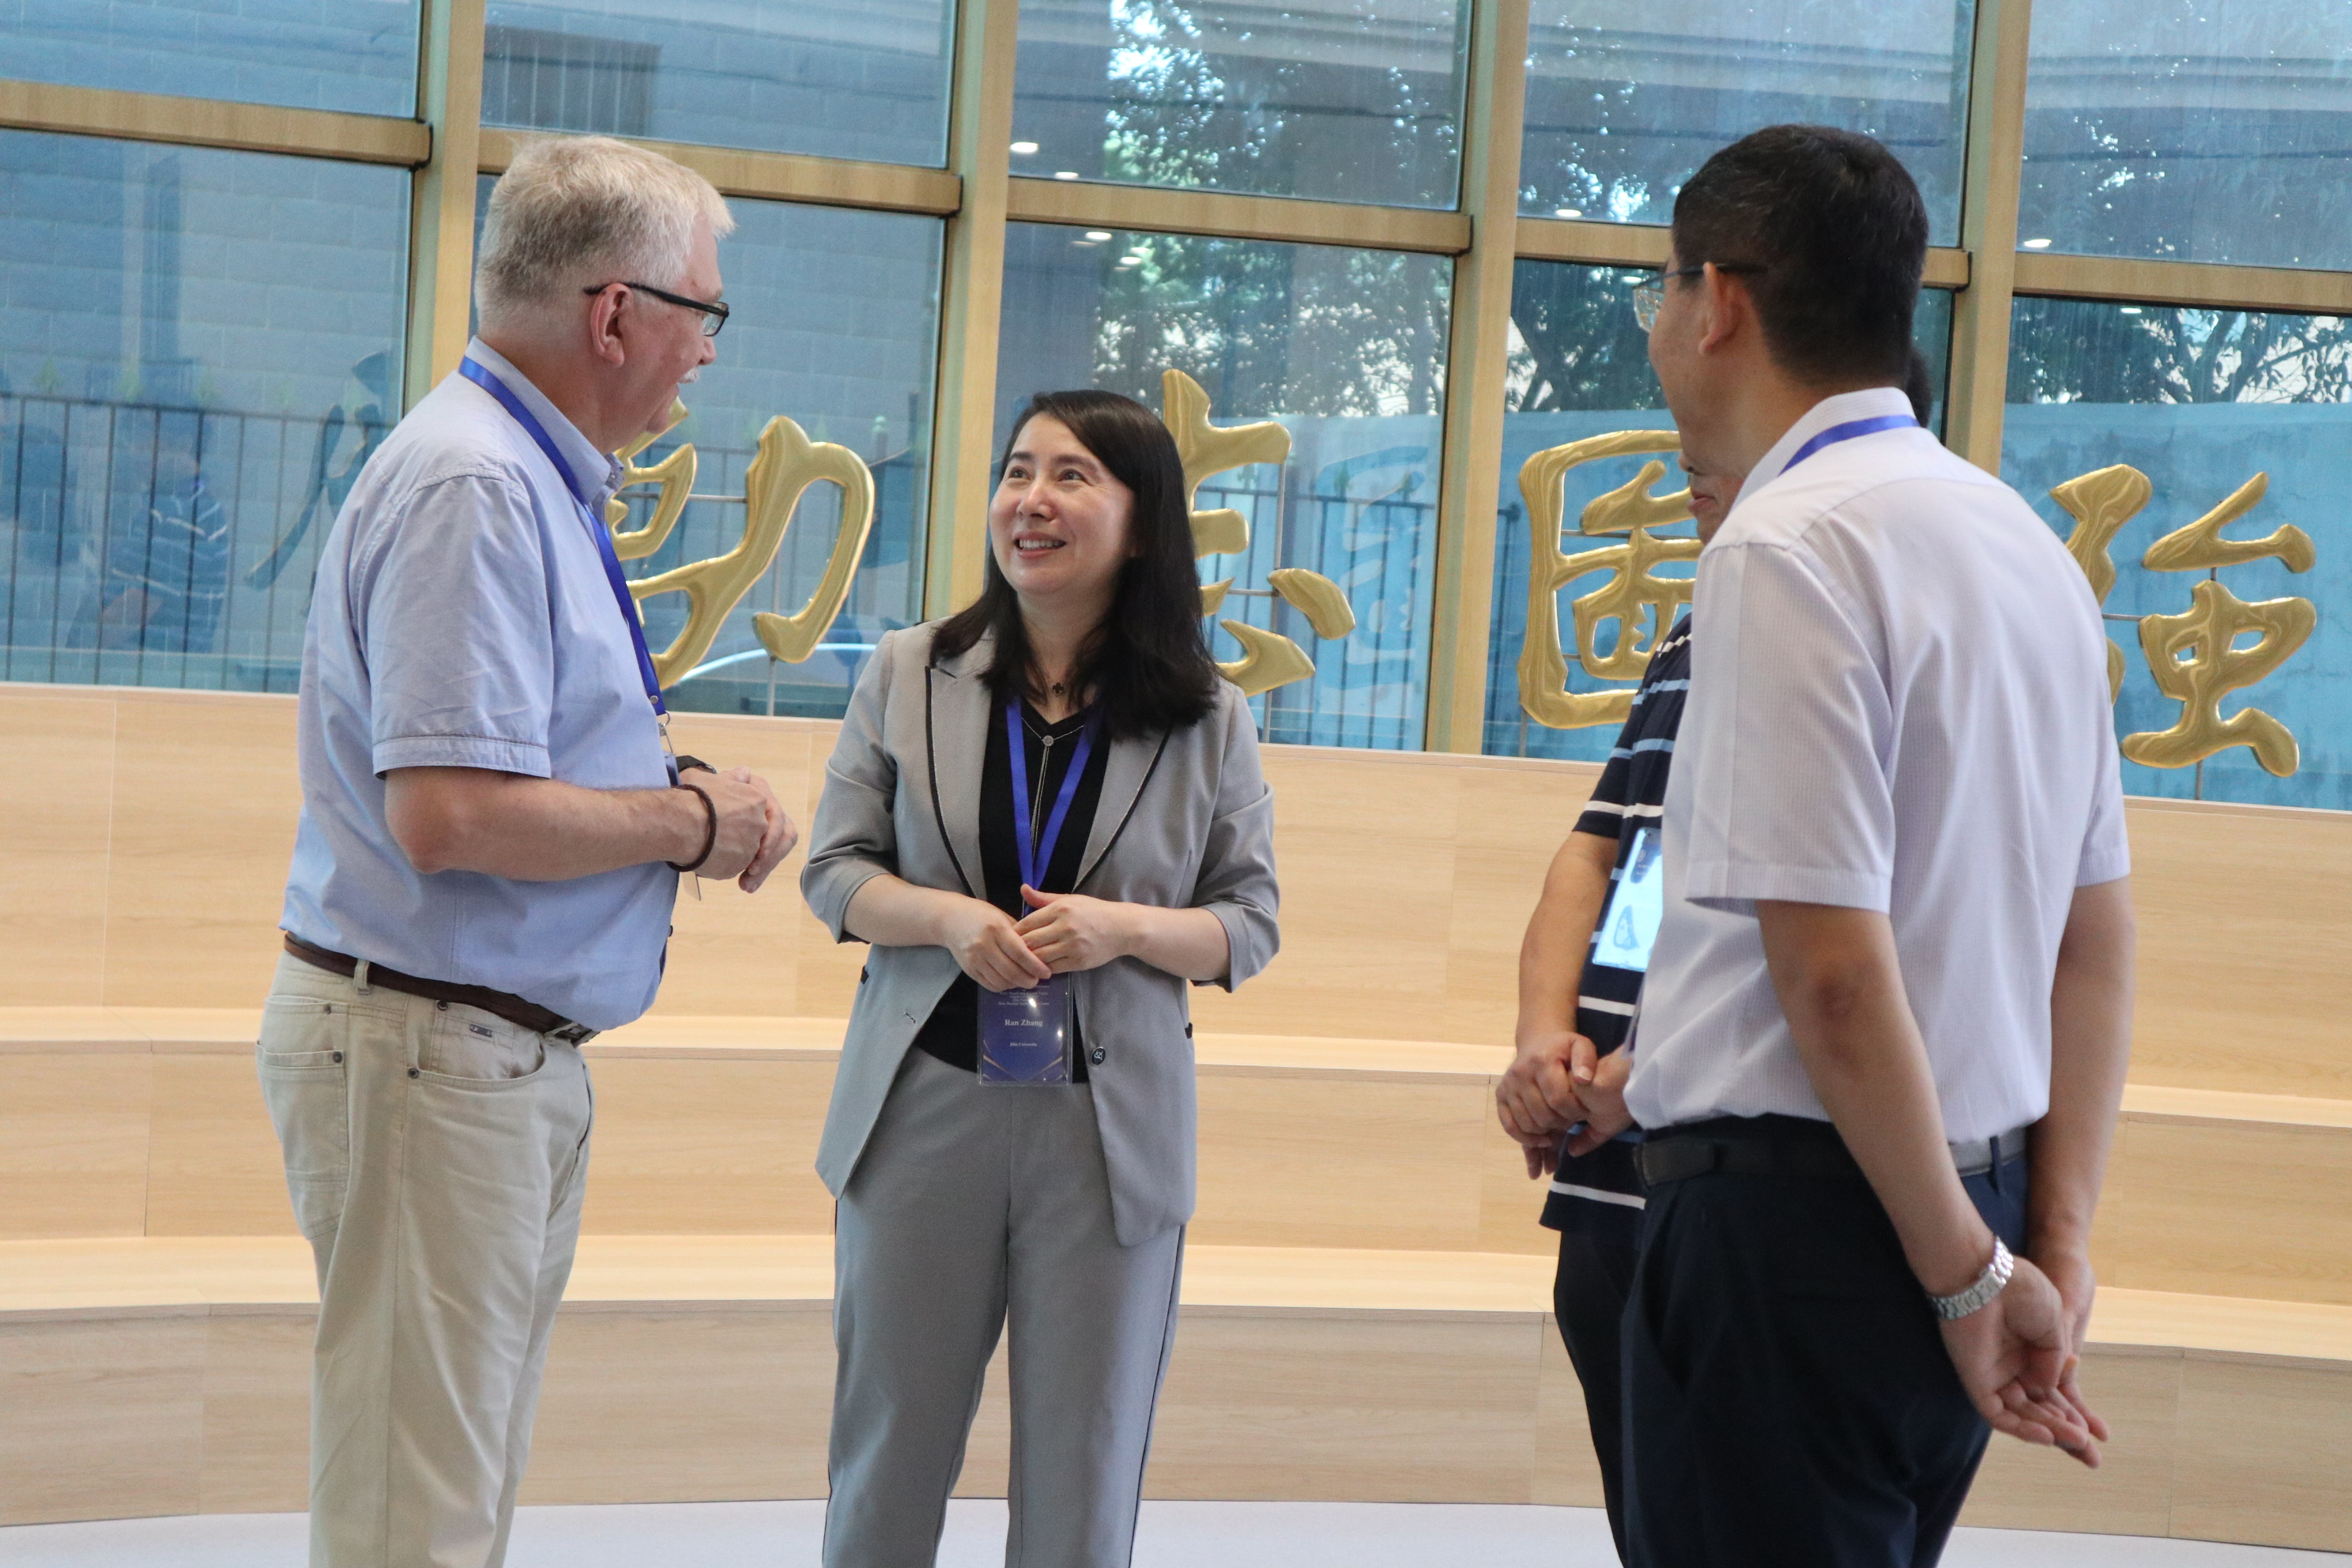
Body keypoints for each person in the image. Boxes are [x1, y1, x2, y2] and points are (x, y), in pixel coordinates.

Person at [1558, 123, 2136, 1567]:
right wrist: (2043, 1244)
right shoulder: (2028, 549)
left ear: (1720, 301)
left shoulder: (1785, 544)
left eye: (1661, 286)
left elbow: (1827, 971)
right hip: (1973, 1199)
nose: (1656, 324)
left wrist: (1965, 1283)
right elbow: (2094, 939)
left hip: (1799, 1233)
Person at [260, 135, 797, 1568]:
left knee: (449, 1496)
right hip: (433, 1049)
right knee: (415, 1519)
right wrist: (691, 824)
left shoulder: (526, 476)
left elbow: (510, 758)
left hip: (474, 1054)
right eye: (704, 313)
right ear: (615, 315)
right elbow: (451, 814)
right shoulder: (478, 485)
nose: (708, 353)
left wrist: (662, 784)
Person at [801, 390, 1280, 1568]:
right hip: (925, 1110)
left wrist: (1127, 930)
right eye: (1019, 471)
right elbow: (834, 872)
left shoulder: (1208, 716)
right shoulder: (909, 671)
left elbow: (1248, 924)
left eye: (1072, 476)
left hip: (1107, 1132)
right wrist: (947, 919)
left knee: (1084, 1464)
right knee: (889, 1448)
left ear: (1143, 522)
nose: (1032, 500)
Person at [1497, 354, 1935, 1562]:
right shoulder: (1701, 621)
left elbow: (1823, 939)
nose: (1694, 448)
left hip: (1740, 1175)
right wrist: (1543, 1044)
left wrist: (1644, 1076)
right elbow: (1597, 850)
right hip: (1606, 1161)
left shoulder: (1858, 618)